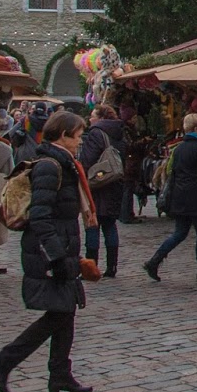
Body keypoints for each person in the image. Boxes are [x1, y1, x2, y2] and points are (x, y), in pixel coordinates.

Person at [0, 110, 94, 392]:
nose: (80, 142)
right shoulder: (50, 166)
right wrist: (57, 257)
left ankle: (59, 374)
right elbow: (42, 216)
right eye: (78, 136)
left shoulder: (63, 162)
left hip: (60, 248)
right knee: (58, 315)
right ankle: (4, 361)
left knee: (65, 312)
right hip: (49, 251)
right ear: (63, 135)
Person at [143, 113, 197, 281]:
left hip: (180, 197)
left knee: (179, 233)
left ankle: (154, 261)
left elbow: (172, 173)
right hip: (196, 197)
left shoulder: (179, 148)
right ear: (196, 129)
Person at [79, 104, 128, 277]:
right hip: (114, 184)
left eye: (92, 115)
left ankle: (91, 267)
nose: (90, 119)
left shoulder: (95, 133)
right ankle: (112, 267)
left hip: (97, 185)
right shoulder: (119, 133)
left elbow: (88, 160)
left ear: (100, 118)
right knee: (109, 225)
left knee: (93, 223)